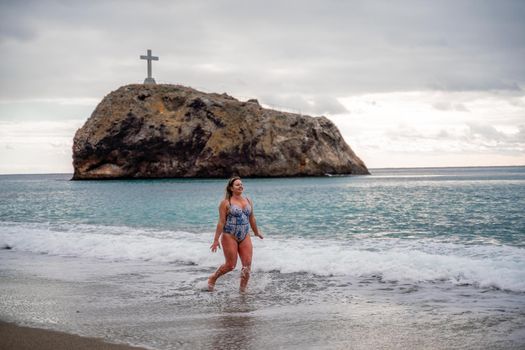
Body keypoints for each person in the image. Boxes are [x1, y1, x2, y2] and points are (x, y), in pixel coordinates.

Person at [208, 176, 263, 292]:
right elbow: (221, 222)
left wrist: (256, 232)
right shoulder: (225, 203)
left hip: (245, 235)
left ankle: (242, 292)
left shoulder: (248, 200)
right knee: (230, 265)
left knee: (247, 266)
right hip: (229, 235)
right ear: (231, 188)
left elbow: (252, 218)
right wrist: (215, 240)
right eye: (237, 185)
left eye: (241, 184)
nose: (241, 186)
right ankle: (213, 278)